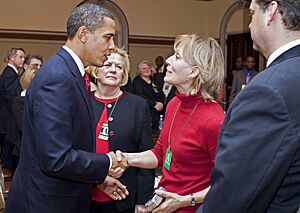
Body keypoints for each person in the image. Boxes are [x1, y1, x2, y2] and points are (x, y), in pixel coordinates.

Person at [6, 4, 128, 213]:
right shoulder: (58, 77)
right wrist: (106, 161)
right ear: (83, 34)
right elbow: (56, 158)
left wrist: (98, 179)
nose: (112, 46)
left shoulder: (69, 72)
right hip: (46, 204)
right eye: (108, 37)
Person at [198, 0, 300, 212]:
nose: (250, 24)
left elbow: (231, 200)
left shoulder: (268, 90)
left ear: (271, 11)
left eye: (252, 14)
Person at [121, 34, 225, 212]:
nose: (168, 60)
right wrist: (124, 158)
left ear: (193, 72)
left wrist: (187, 200)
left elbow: (227, 183)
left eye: (177, 56)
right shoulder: (174, 104)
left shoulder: (214, 121)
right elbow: (160, 153)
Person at [89, 48, 154, 213]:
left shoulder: (138, 106)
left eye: (119, 67)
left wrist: (143, 201)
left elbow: (147, 155)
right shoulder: (82, 102)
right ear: (96, 70)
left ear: (124, 74)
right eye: (107, 64)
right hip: (84, 194)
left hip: (124, 195)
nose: (113, 69)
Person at [0, 48, 25, 170]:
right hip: (8, 119)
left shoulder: (11, 73)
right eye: (20, 57)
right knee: (8, 158)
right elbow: (11, 96)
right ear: (12, 58)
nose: (23, 60)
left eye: (24, 57)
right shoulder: (9, 74)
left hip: (8, 119)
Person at [133, 60, 164, 133]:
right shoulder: (137, 81)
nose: (147, 70)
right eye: (144, 68)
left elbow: (161, 93)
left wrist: (161, 103)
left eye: (148, 68)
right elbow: (140, 95)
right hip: (146, 111)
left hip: (158, 112)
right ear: (139, 71)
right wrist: (154, 104)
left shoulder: (154, 80)